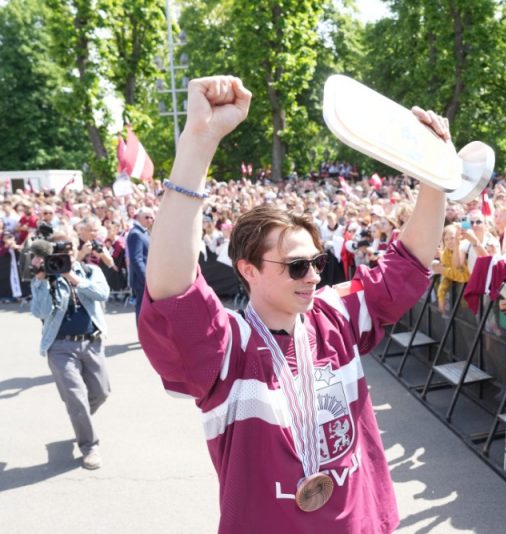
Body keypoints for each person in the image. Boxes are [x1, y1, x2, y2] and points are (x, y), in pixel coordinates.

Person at [137, 75, 448, 533]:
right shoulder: (227, 348)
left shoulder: (334, 315)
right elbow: (171, 292)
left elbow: (409, 262)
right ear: (248, 270)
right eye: (296, 266)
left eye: (317, 262)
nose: (314, 276)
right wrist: (198, 144)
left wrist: (435, 174)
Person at [29, 230, 111, 470]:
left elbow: (102, 294)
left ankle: (80, 419)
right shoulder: (47, 276)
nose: (67, 254)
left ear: (77, 248)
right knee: (76, 398)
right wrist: (42, 280)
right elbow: (40, 312)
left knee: (102, 392)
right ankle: (89, 446)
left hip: (92, 341)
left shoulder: (89, 271)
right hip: (60, 346)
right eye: (60, 251)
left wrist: (73, 278)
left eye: (70, 248)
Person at [126, 207, 153, 320]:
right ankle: (143, 336)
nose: (150, 220)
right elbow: (136, 260)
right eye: (146, 217)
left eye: (152, 217)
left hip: (147, 278)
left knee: (147, 309)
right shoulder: (136, 234)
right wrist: (146, 279)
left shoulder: (143, 233)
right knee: (142, 308)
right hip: (141, 280)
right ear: (138, 217)